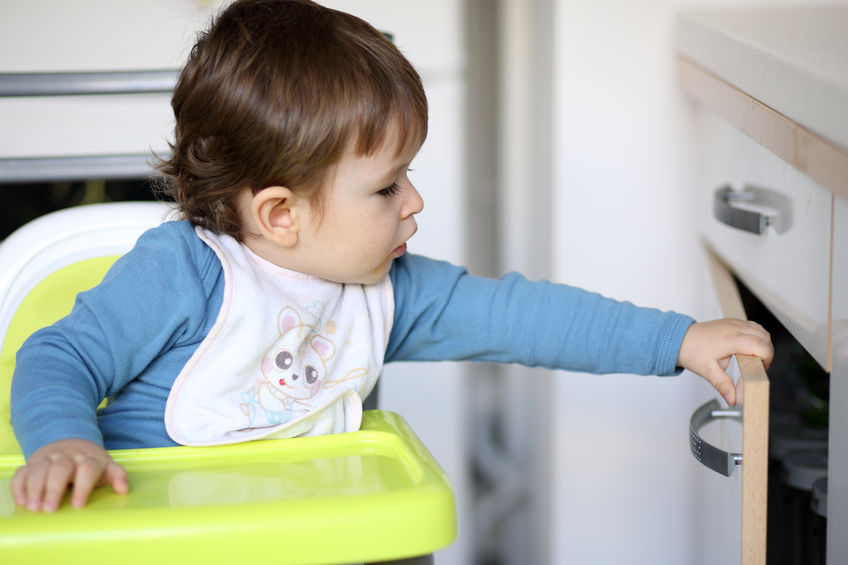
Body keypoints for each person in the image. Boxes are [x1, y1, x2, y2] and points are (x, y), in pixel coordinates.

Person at [9, 0, 772, 513]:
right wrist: (64, 438)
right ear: (282, 213)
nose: (414, 202)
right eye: (385, 188)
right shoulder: (180, 272)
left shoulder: (386, 291)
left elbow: (527, 316)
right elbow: (58, 356)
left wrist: (676, 339)